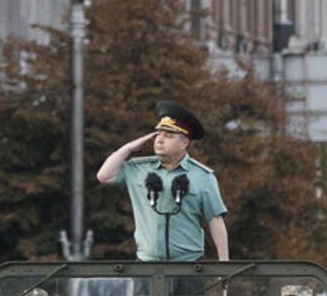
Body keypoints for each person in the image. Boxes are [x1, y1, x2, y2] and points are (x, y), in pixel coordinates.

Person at [96, 101, 229, 262]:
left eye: (169, 136)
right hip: (146, 263)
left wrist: (224, 263)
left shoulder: (202, 176)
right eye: (158, 134)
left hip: (189, 265)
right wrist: (129, 148)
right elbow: (104, 176)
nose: (160, 140)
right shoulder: (139, 168)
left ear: (184, 143)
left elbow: (215, 219)